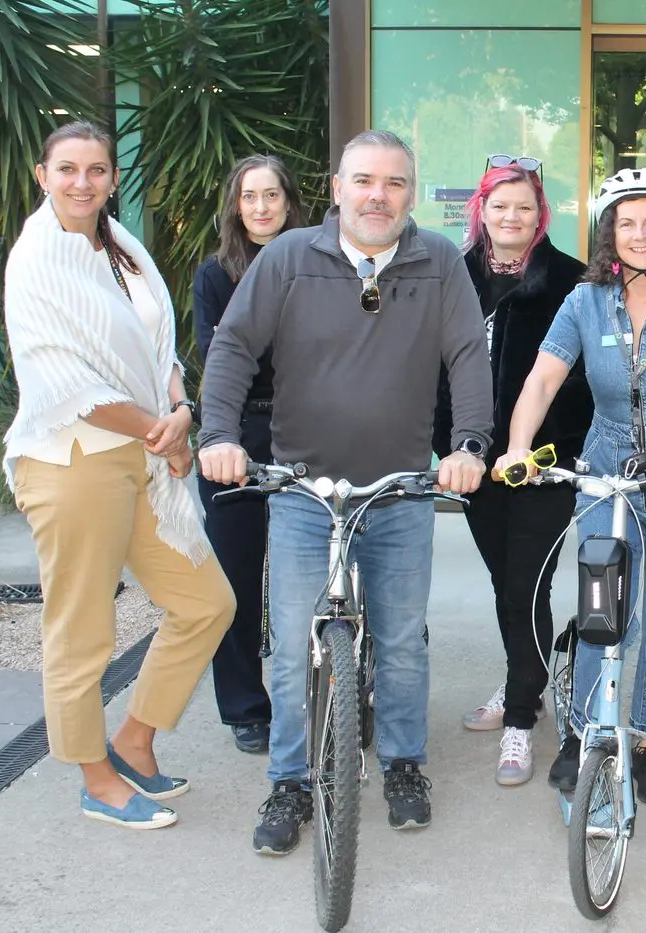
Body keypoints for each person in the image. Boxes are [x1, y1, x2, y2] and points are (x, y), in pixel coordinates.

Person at [198, 130, 492, 855]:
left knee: (401, 642)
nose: (377, 196)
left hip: (399, 491)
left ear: (411, 193)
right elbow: (232, 346)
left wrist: (469, 446)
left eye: (393, 183)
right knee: (293, 648)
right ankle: (290, 781)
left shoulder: (440, 262)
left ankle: (403, 764)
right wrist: (219, 435)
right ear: (337, 189)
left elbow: (466, 355)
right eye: (363, 180)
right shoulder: (289, 258)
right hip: (303, 489)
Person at [3, 121, 235, 829]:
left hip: (141, 456)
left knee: (206, 603)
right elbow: (63, 381)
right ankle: (95, 779)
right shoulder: (37, 258)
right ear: (43, 176)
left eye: (96, 170)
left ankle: (134, 742)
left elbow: (159, 345)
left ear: (111, 178)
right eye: (67, 169)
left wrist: (180, 408)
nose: (82, 182)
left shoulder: (121, 247)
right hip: (73, 462)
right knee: (82, 631)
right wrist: (161, 430)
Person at [500, 168, 646, 806]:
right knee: (603, 614)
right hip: (606, 474)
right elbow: (543, 379)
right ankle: (582, 733)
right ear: (610, 233)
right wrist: (518, 447)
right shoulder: (584, 301)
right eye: (626, 223)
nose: (639, 234)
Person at [435, 155, 589, 786]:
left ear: (541, 214)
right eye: (500, 205)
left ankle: (521, 718)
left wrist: (556, 444)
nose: (511, 217)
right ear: (481, 210)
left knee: (526, 585)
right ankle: (524, 678)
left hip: (545, 463)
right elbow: (434, 367)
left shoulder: (572, 280)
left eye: (524, 206)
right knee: (509, 585)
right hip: (474, 465)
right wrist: (448, 444)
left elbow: (583, 378)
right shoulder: (453, 276)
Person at [194, 154, 306, 755]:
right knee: (235, 578)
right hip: (236, 432)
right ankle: (244, 707)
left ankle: (326, 691)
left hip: (307, 430)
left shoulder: (321, 266)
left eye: (271, 195)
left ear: (290, 202)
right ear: (235, 207)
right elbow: (220, 359)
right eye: (248, 196)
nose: (260, 207)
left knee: (314, 573)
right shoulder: (215, 276)